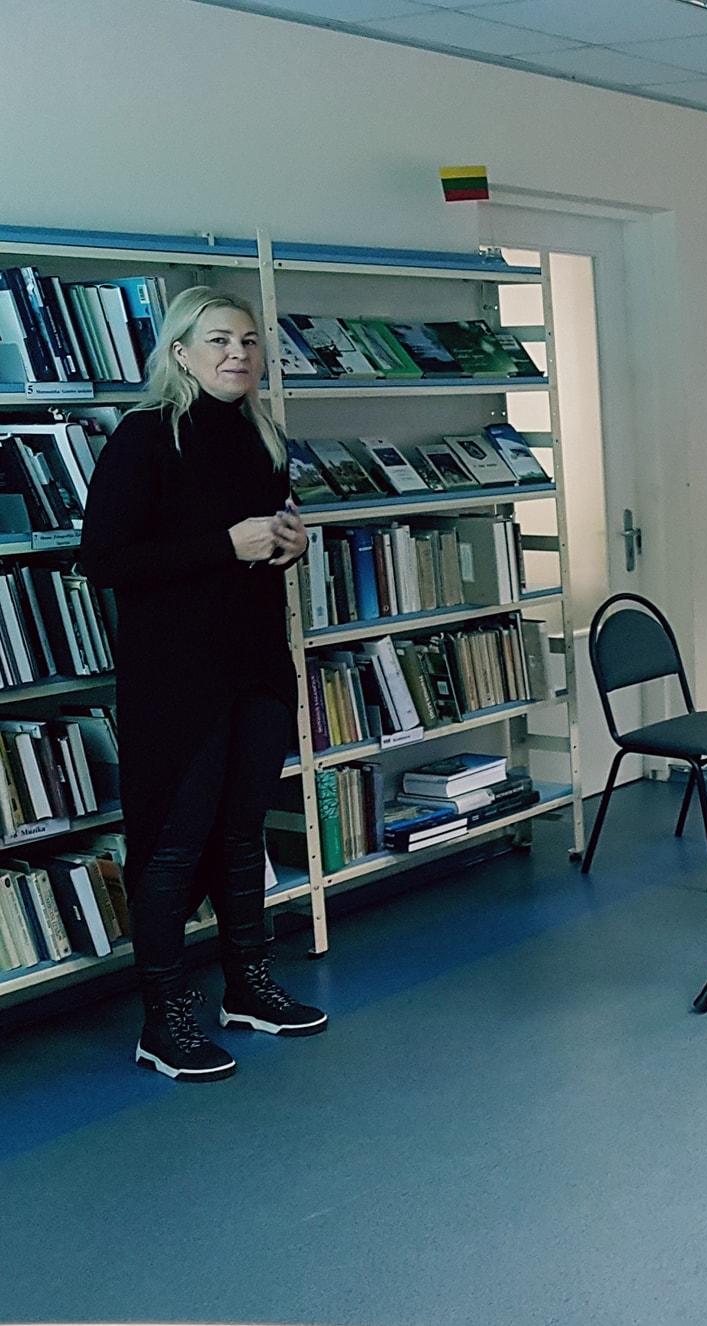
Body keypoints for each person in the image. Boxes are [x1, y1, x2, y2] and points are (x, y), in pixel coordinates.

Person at [81, 287, 325, 1083]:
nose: (238, 354)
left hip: (256, 666)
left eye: (249, 341)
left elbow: (264, 544)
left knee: (243, 833)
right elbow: (104, 561)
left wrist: (289, 545)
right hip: (177, 681)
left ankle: (248, 989)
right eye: (219, 340)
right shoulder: (145, 436)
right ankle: (165, 1021)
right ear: (180, 352)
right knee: (173, 844)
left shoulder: (262, 435)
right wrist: (224, 545)